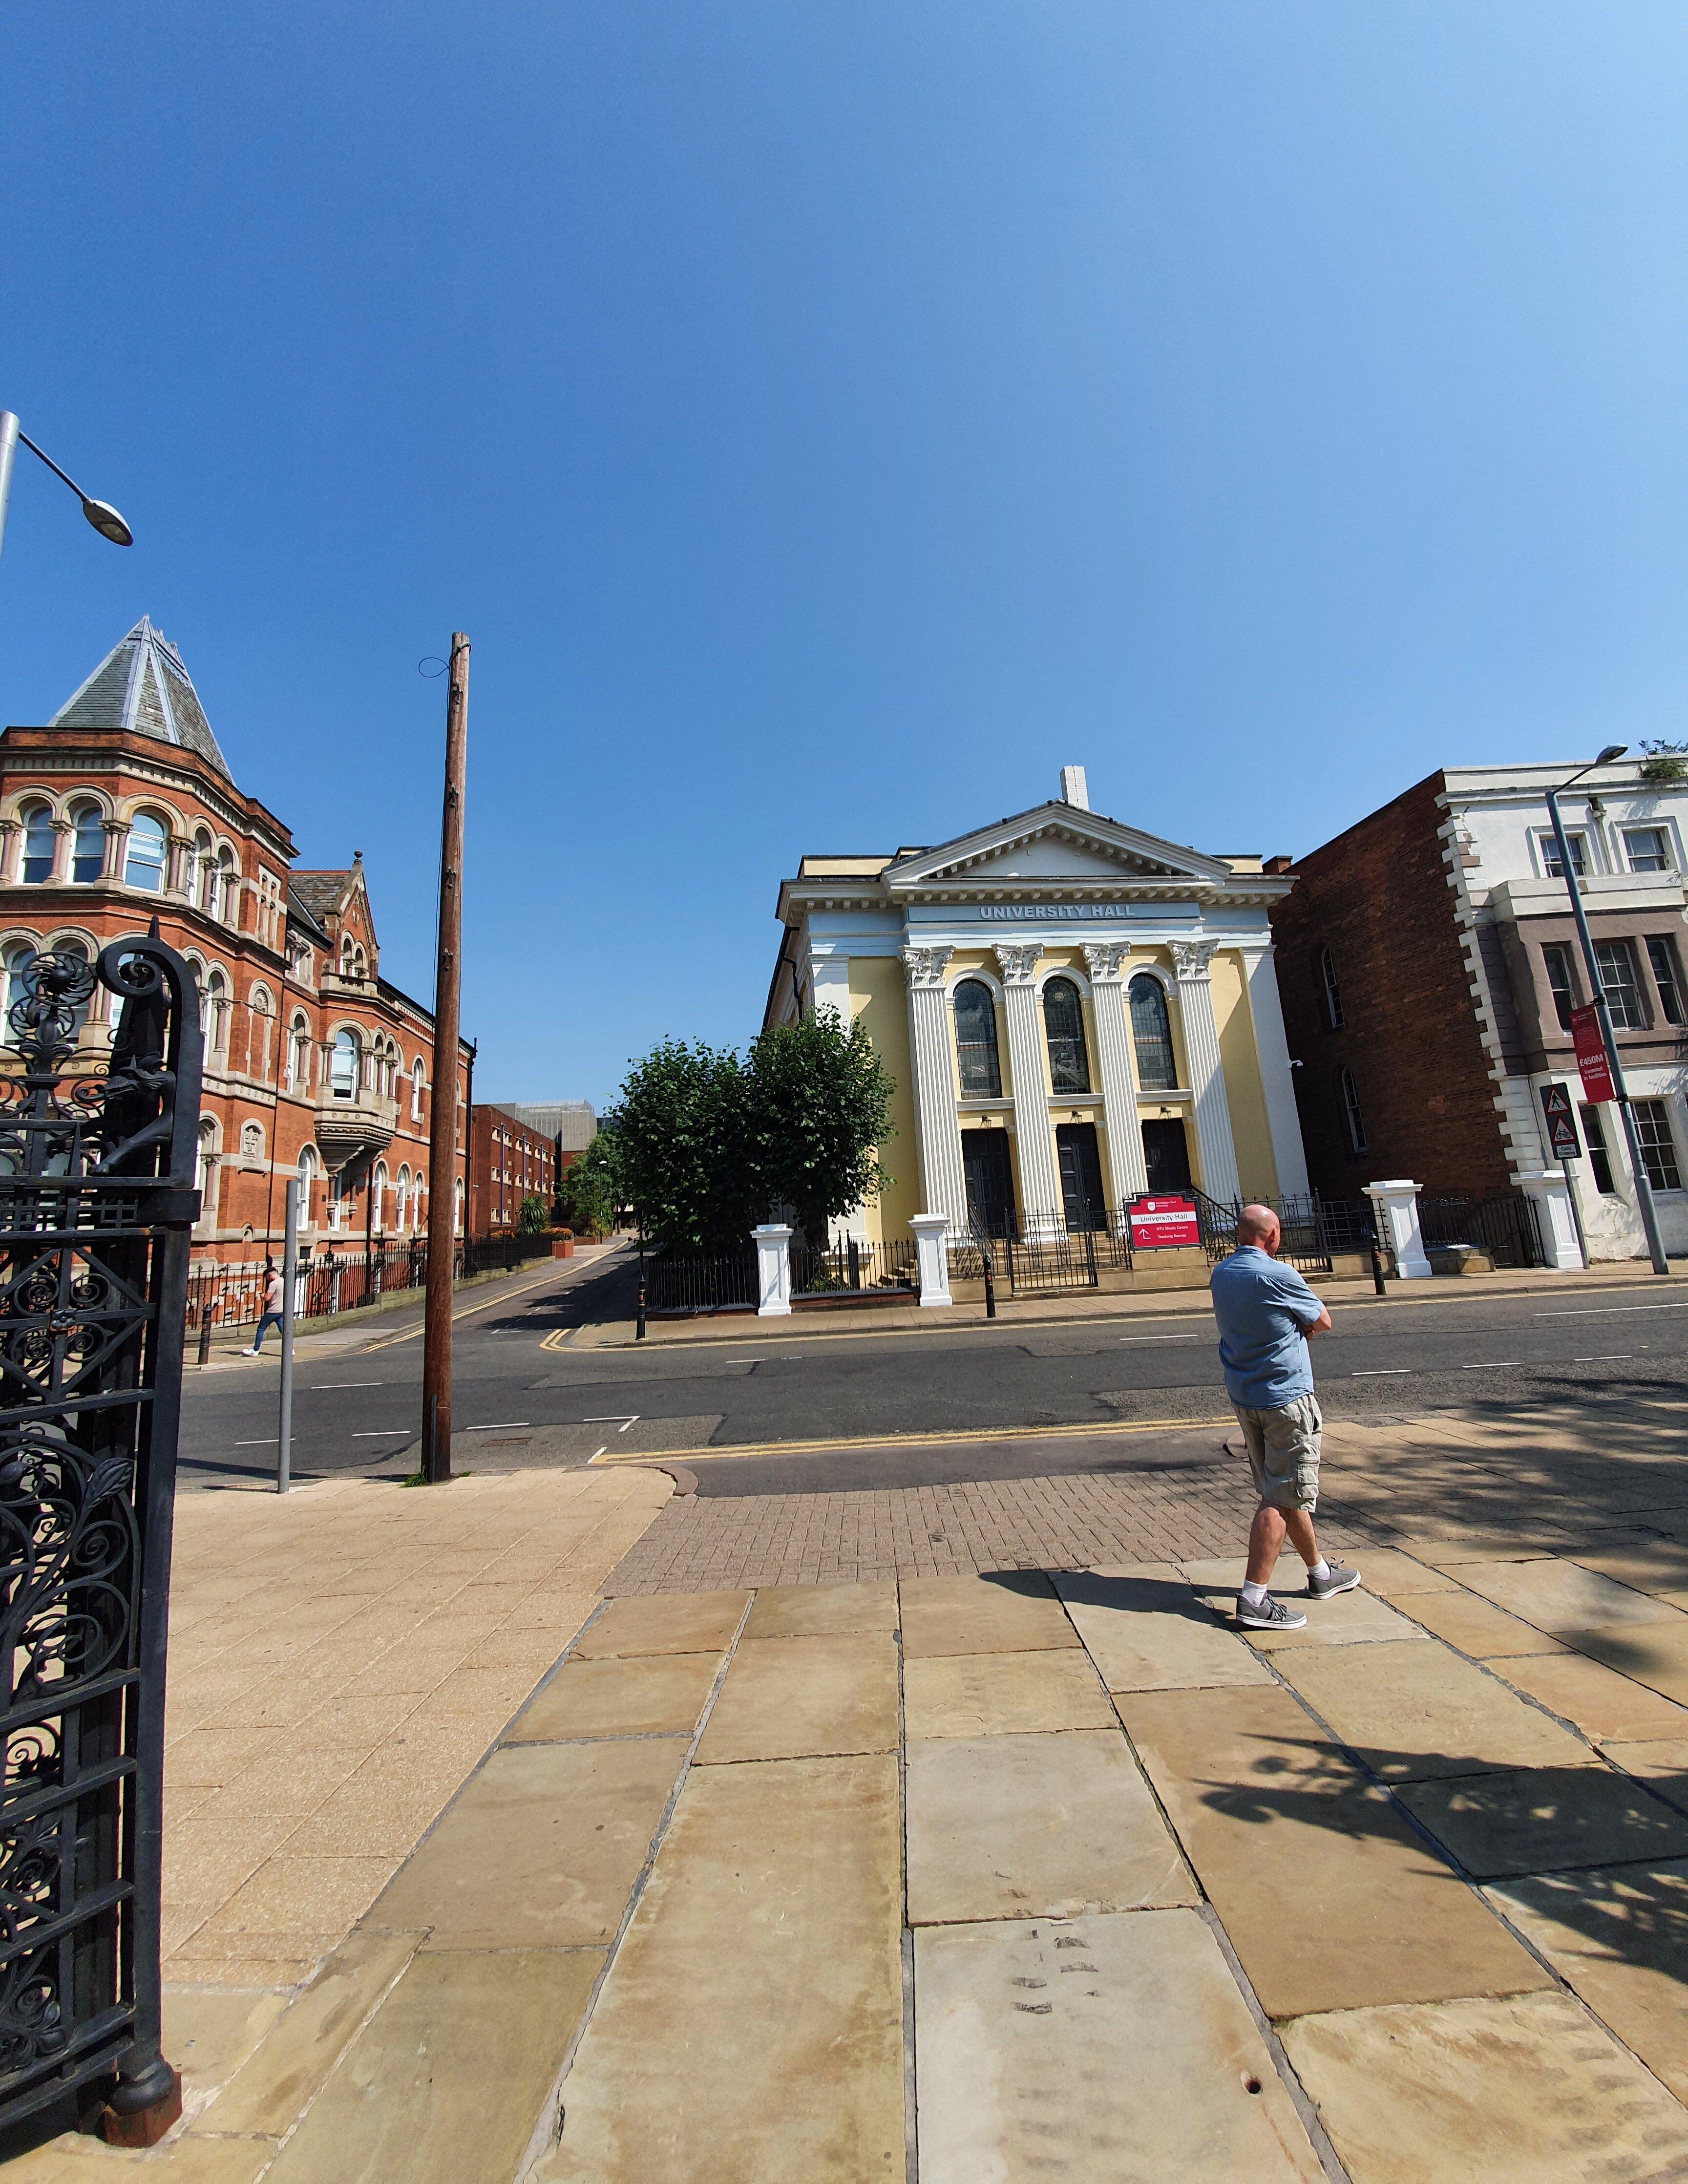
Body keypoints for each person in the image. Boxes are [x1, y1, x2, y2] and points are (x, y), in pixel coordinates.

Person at [1209, 1204, 1359, 1630]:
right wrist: (1299, 1330)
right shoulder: (1279, 1274)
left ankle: (1321, 1574)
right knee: (1280, 1494)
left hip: (1246, 1396)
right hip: (1287, 1399)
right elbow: (1323, 1320)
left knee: (1282, 1484)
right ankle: (1254, 1597)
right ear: (1272, 1236)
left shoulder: (1221, 1275)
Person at [241, 1259, 284, 1357]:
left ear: (270, 1275)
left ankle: (255, 1350)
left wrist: (262, 1296)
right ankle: (290, 1350)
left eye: (267, 1278)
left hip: (273, 1311)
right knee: (284, 1331)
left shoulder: (273, 1284)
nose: (268, 1280)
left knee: (261, 1328)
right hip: (282, 1311)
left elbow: (267, 1298)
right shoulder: (284, 1281)